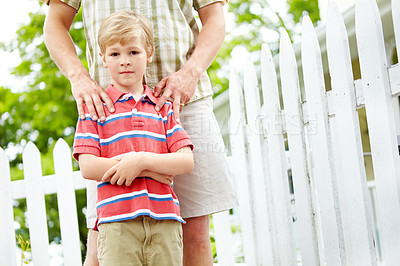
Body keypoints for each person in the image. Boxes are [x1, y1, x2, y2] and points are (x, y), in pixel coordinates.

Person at [42, 0, 238, 265]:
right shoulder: (95, 116)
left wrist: (190, 73)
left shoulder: (174, 106)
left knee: (196, 236)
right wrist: (79, 78)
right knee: (104, 238)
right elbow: (55, 22)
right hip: (108, 109)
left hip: (182, 100)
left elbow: (214, 16)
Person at [73, 10, 194, 265]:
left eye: (133, 52)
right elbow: (88, 166)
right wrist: (149, 170)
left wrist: (140, 161)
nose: (125, 61)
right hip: (117, 224)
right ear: (103, 59)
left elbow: (185, 161)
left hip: (165, 222)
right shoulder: (95, 110)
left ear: (149, 53)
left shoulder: (163, 108)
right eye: (115, 54)